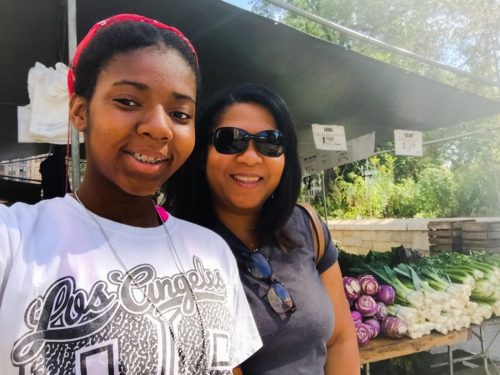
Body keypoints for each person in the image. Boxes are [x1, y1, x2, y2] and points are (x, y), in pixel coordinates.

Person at [0, 15, 261, 374]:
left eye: (179, 113)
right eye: (127, 101)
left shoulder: (211, 252)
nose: (159, 128)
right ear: (79, 111)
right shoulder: (16, 240)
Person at [166, 83, 360, 374]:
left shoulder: (308, 227)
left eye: (270, 142)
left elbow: (341, 339)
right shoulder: (173, 248)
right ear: (201, 155)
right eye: (231, 140)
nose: (250, 157)